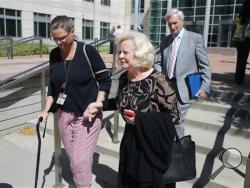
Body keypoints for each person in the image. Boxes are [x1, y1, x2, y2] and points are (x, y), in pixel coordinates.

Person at [39, 15, 111, 188]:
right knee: (76, 162)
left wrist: (98, 104)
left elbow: (105, 81)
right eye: (55, 38)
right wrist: (45, 110)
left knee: (78, 162)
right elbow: (53, 86)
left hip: (87, 116)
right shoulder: (55, 54)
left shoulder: (88, 51)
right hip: (64, 116)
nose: (59, 42)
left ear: (72, 32)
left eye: (62, 37)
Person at [103, 31, 180, 188]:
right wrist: (98, 105)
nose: (120, 56)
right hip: (130, 143)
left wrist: (140, 119)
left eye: (125, 52)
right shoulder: (125, 77)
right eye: (119, 52)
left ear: (139, 54)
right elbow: (121, 102)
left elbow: (174, 115)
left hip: (151, 148)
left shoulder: (158, 80)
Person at [155, 8, 211, 138]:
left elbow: (205, 66)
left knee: (177, 119)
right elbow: (158, 62)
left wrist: (204, 87)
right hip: (167, 87)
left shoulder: (195, 38)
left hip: (185, 87)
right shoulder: (166, 40)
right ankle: (172, 146)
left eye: (175, 23)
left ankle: (178, 148)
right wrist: (159, 77)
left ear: (182, 21)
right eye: (169, 24)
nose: (172, 26)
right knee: (168, 118)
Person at [232, 0, 250, 85]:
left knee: (240, 59)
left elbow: (235, 25)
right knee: (243, 59)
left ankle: (238, 77)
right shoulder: (248, 15)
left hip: (237, 39)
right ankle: (240, 79)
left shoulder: (239, 14)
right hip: (246, 39)